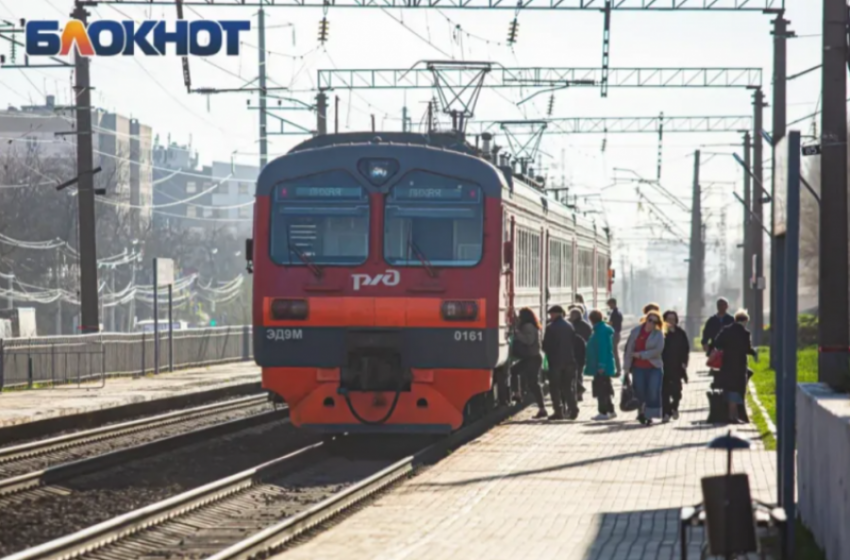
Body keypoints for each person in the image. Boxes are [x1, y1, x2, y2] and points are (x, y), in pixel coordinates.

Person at [712, 309, 757, 424]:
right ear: (745, 320)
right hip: (739, 364)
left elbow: (717, 343)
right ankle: (733, 417)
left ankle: (732, 415)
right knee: (737, 390)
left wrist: (725, 349)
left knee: (729, 389)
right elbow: (747, 349)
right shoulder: (745, 333)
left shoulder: (726, 330)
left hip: (727, 364)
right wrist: (754, 352)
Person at [623, 309, 666, 425]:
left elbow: (657, 350)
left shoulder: (658, 334)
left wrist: (641, 355)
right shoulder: (636, 332)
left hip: (654, 367)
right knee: (640, 391)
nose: (651, 323)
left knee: (653, 390)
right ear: (646, 319)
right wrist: (626, 369)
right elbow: (629, 351)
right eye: (650, 320)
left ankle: (650, 415)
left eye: (654, 322)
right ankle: (641, 413)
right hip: (638, 368)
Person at [511, 308, 548, 419]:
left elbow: (529, 340)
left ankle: (542, 408)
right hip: (531, 358)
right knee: (515, 371)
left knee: (533, 383)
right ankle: (517, 394)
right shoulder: (530, 325)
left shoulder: (528, 326)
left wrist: (517, 334)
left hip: (533, 358)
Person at [542, 305, 579, 420]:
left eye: (551, 314)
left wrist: (549, 355)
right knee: (568, 387)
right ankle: (573, 409)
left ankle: (558, 411)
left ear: (556, 314)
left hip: (556, 362)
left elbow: (546, 345)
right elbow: (574, 343)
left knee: (555, 387)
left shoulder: (551, 327)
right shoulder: (570, 326)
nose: (550, 316)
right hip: (569, 361)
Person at [584, 309, 617, 420]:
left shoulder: (600, 331)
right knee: (605, 388)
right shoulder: (601, 329)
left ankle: (603, 412)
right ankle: (610, 410)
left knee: (601, 389)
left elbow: (602, 349)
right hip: (603, 364)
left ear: (591, 320)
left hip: (601, 366)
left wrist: (601, 365)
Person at [661, 310, 690, 421]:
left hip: (677, 367)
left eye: (673, 319)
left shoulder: (680, 333)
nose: (671, 321)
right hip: (663, 366)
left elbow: (685, 349)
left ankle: (674, 407)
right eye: (668, 319)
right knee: (664, 392)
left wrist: (684, 362)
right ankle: (666, 413)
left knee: (677, 392)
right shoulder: (662, 333)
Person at [568, 306, 591, 401]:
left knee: (573, 374)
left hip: (574, 352)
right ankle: (578, 393)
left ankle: (578, 391)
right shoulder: (586, 325)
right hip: (582, 353)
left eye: (571, 315)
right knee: (579, 373)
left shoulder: (571, 325)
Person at [607, 298, 624, 376]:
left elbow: (613, 324)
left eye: (609, 304)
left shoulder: (615, 313)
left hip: (615, 334)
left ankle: (618, 370)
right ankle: (617, 369)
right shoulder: (617, 312)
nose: (609, 306)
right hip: (616, 334)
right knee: (614, 352)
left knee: (615, 352)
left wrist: (607, 324)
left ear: (613, 303)